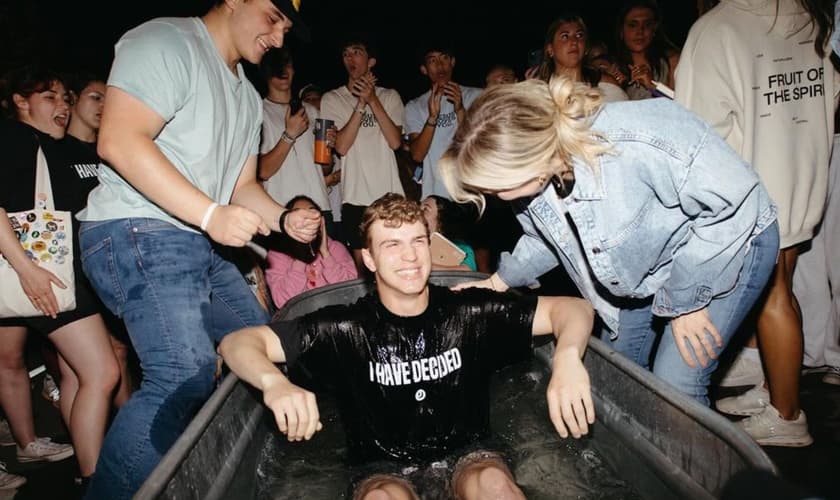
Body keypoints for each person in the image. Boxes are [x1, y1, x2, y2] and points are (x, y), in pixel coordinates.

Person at [74, 1, 321, 497]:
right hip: (135, 230)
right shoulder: (165, 41)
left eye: (286, 29)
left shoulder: (247, 98)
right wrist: (210, 215)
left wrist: (282, 219)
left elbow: (241, 187)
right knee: (183, 372)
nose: (277, 38)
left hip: (196, 242)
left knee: (262, 347)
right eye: (273, 17)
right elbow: (118, 140)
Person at [218, 193, 595, 500]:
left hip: (469, 456)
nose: (411, 256)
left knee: (496, 488)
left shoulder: (470, 310)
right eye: (392, 245)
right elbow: (238, 343)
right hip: (381, 469)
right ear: (369, 259)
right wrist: (274, 383)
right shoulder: (344, 328)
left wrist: (566, 359)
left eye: (417, 241)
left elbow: (574, 309)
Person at [438, 78, 779, 408]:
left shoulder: (635, 137)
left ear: (529, 159)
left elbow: (734, 201)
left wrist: (687, 302)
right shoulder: (535, 175)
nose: (492, 196)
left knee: (676, 381)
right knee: (618, 373)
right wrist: (494, 285)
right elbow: (545, 238)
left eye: (495, 188)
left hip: (726, 240)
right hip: (645, 262)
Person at [675, 0, 837, 447]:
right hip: (802, 175)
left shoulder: (716, 29)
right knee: (782, 283)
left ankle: (788, 417)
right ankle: (774, 386)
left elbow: (697, 128)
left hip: (757, 188)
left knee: (773, 295)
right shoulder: (811, 17)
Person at [0, 64, 117, 492]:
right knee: (102, 373)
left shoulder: (56, 146)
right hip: (46, 275)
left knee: (76, 374)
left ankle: (86, 465)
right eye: (49, 98)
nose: (62, 107)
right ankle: (95, 478)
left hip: (65, 275)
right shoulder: (14, 138)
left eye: (65, 98)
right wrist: (28, 272)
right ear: (21, 101)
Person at [63, 70, 136, 410]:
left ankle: (129, 428)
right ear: (73, 99)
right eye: (95, 96)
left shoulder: (107, 151)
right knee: (94, 368)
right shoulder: (57, 149)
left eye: (108, 98)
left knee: (119, 351)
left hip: (108, 260)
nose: (103, 105)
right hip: (71, 266)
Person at [321, 33, 405, 270]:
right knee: (364, 272)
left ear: (371, 61)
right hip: (354, 198)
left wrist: (372, 99)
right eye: (346, 54)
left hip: (390, 195)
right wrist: (360, 103)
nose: (351, 58)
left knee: (394, 263)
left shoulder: (390, 96)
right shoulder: (333, 99)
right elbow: (342, 146)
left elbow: (395, 141)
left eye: (357, 51)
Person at [257, 47, 334, 237]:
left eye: (287, 65)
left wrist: (328, 149)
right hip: (281, 210)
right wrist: (289, 135)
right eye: (277, 67)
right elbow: (262, 171)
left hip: (319, 206)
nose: (283, 72)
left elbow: (324, 169)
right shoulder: (258, 113)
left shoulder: (312, 112)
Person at [405, 40, 483, 200]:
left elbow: (480, 144)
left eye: (444, 58)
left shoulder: (476, 96)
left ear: (453, 62)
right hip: (434, 194)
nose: (440, 65)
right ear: (424, 69)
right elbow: (417, 155)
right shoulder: (415, 106)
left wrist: (460, 109)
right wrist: (432, 118)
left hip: (473, 192)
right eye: (432, 60)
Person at [265, 195, 357, 310]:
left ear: (321, 222)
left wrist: (326, 254)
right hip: (300, 320)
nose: (307, 223)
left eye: (312, 216)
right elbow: (283, 301)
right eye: (300, 218)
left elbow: (351, 291)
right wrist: (301, 256)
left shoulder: (335, 248)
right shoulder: (278, 255)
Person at [527, 13, 628, 103]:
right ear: (550, 49)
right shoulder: (540, 92)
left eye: (579, 35)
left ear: (585, 48)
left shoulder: (606, 86)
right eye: (565, 36)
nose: (574, 41)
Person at [613, 0, 681, 99]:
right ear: (621, 31)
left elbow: (682, 105)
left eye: (647, 24)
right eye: (633, 25)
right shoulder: (613, 67)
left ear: (654, 29)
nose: (640, 31)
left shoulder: (672, 62)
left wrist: (652, 86)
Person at [421, 195, 476, 271]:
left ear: (440, 220)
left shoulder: (461, 246)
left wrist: (428, 267)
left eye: (425, 209)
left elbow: (467, 270)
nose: (418, 212)